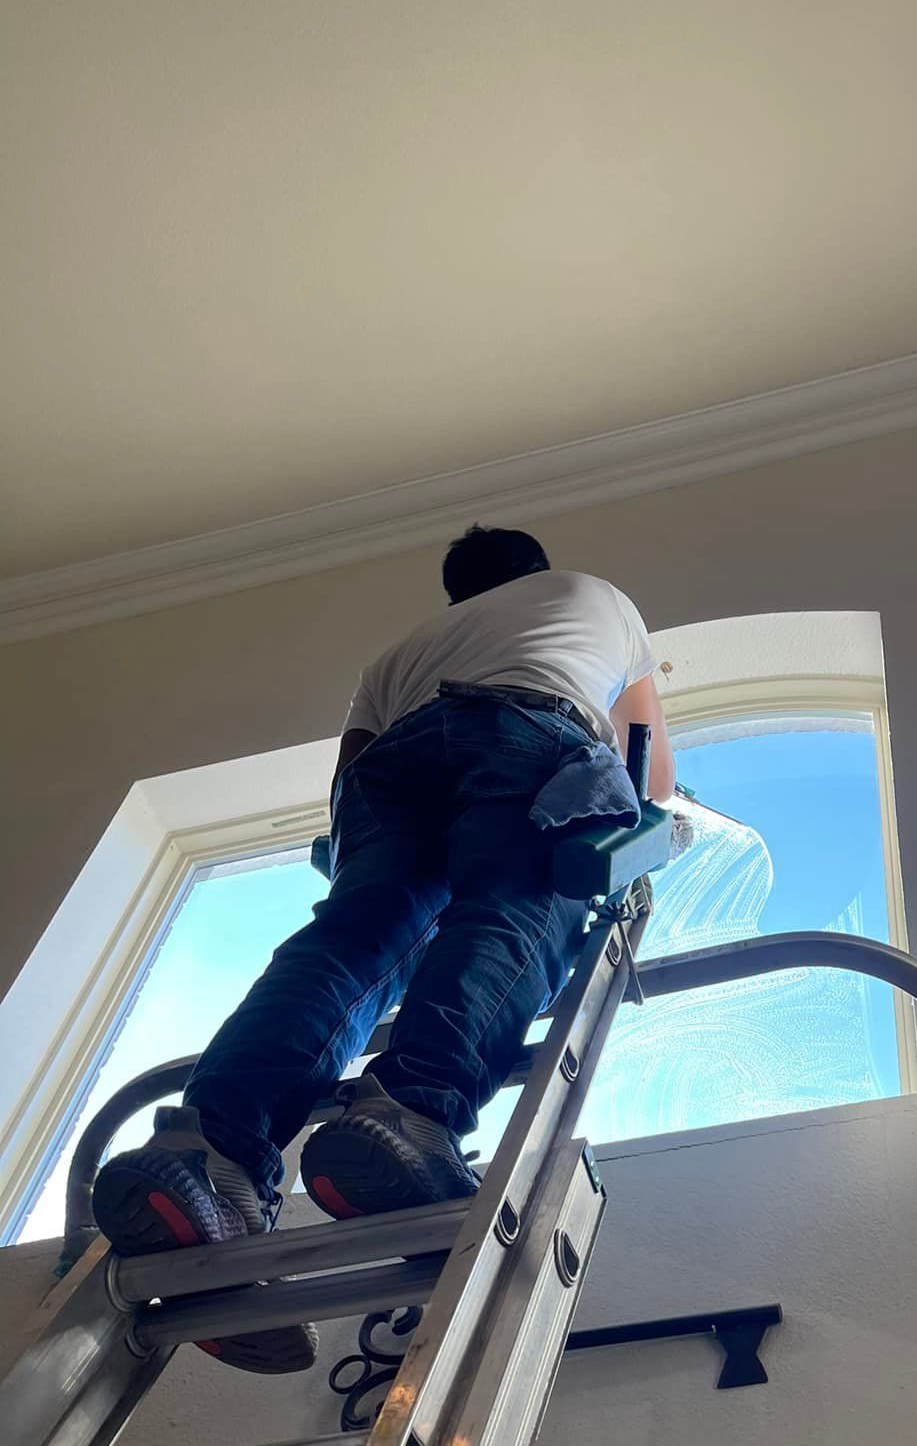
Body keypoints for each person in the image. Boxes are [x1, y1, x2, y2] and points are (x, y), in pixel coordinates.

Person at [91, 526, 674, 1374]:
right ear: (535, 569)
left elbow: (348, 784)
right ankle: (408, 1116)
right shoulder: (594, 595)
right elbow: (648, 767)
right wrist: (641, 828)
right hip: (533, 733)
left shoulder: (401, 653)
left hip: (393, 769)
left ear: (457, 592)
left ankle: (208, 1153)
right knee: (516, 911)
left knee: (353, 944)